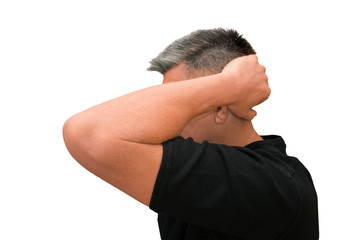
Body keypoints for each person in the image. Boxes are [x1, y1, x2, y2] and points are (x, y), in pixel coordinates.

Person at [63, 28, 319, 239]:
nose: (166, 119)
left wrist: (228, 85)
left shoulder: (268, 182)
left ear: (220, 106)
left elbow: (87, 133)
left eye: (184, 99)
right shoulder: (219, 172)